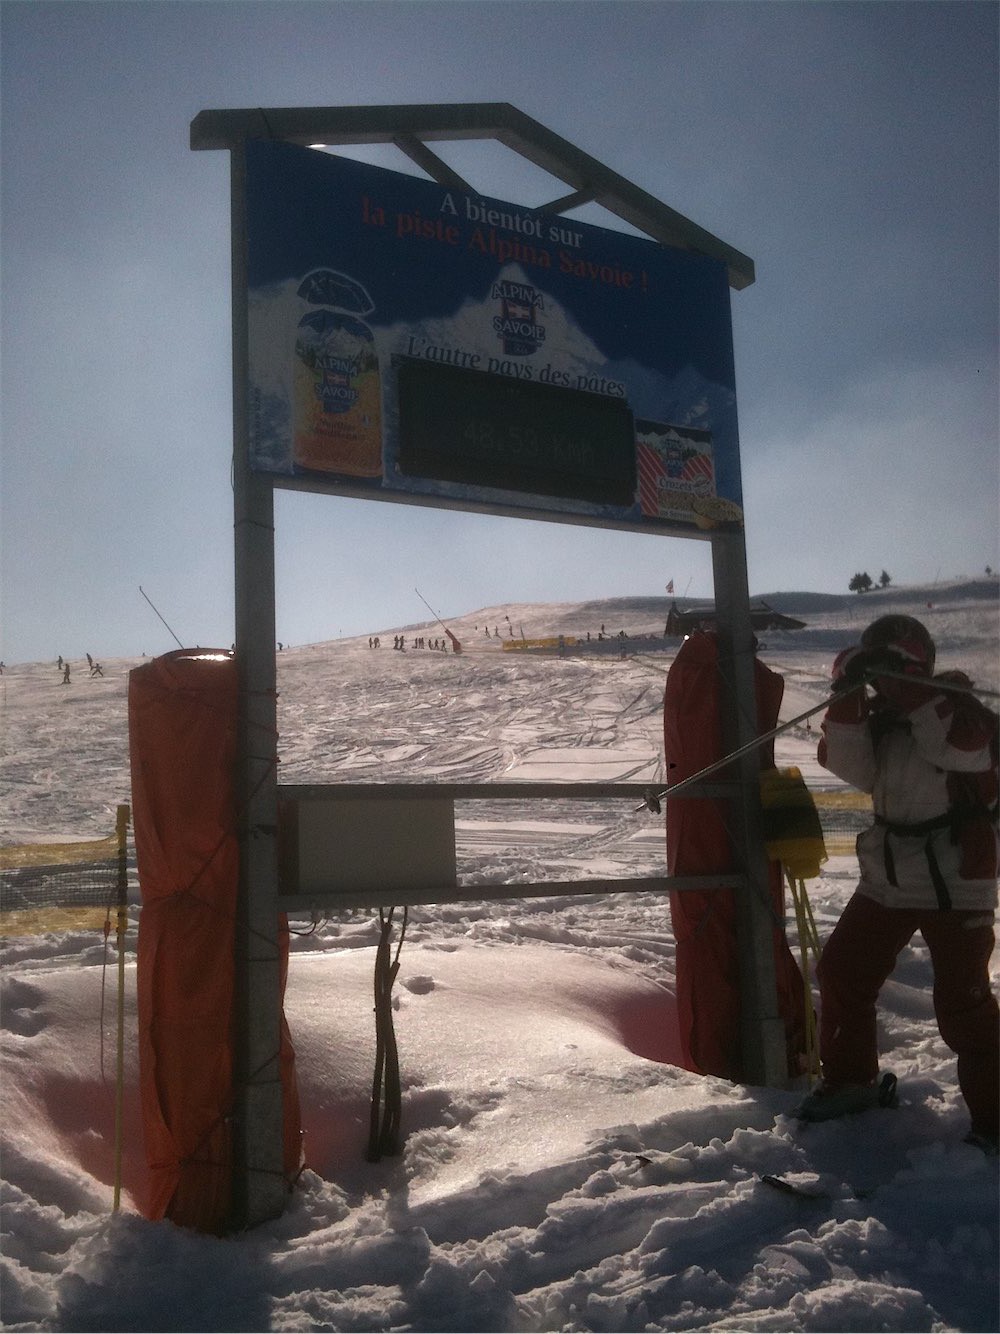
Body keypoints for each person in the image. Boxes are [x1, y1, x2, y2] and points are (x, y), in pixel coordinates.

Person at [797, 614, 998, 1151]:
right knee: (843, 970)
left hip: (955, 880)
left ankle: (995, 1119)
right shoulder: (885, 721)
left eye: (891, 666)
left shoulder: (963, 713)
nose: (882, 682)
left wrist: (909, 691)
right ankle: (851, 1081)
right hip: (890, 877)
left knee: (963, 1005)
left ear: (917, 664)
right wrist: (847, 694)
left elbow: (952, 750)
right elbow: (849, 764)